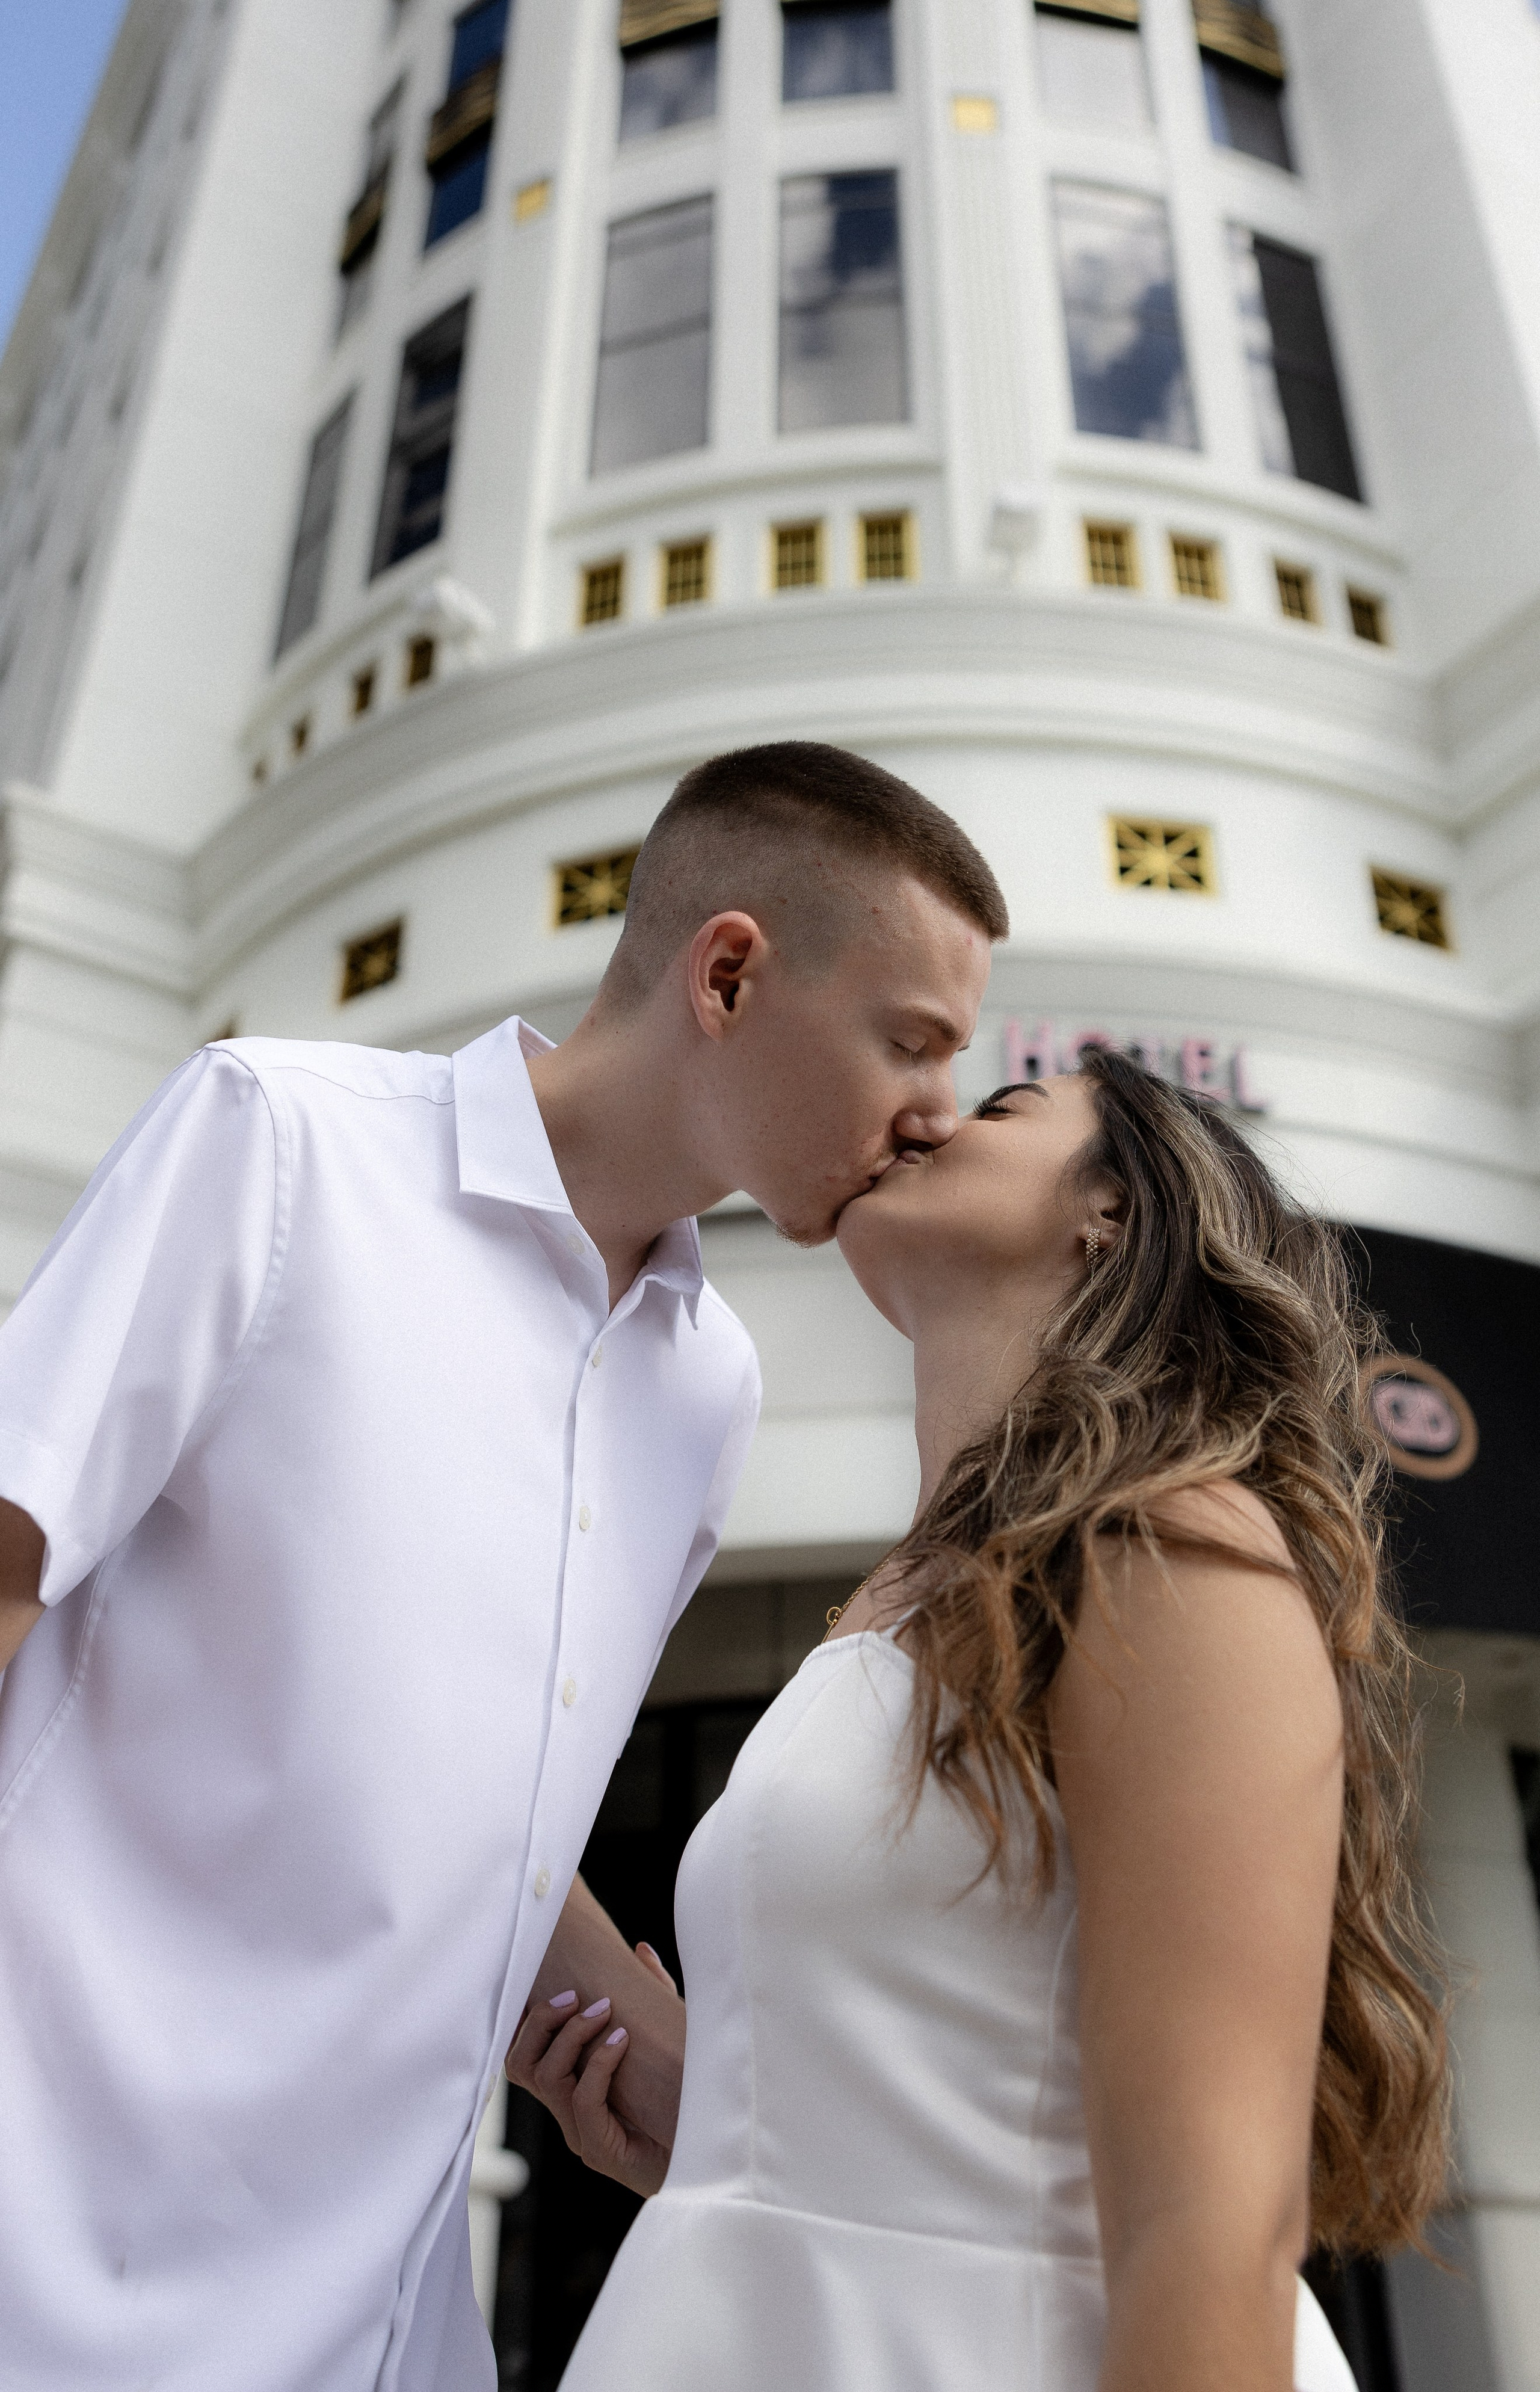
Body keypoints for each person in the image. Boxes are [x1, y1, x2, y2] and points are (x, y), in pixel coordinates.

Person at [0, 742, 1004, 2390]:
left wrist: (670, 2062)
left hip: (387, 2323)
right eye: (913, 1042)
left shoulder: (709, 1386)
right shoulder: (280, 1144)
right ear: (732, 974)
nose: (935, 1114)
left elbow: (488, 1826)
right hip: (53, 2265)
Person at [510, 1050, 1451, 2392]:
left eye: (1003, 1105)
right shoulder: (891, 1606)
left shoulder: (1169, 1544)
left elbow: (1211, 2229)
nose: (932, 1112)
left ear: (1111, 1212)